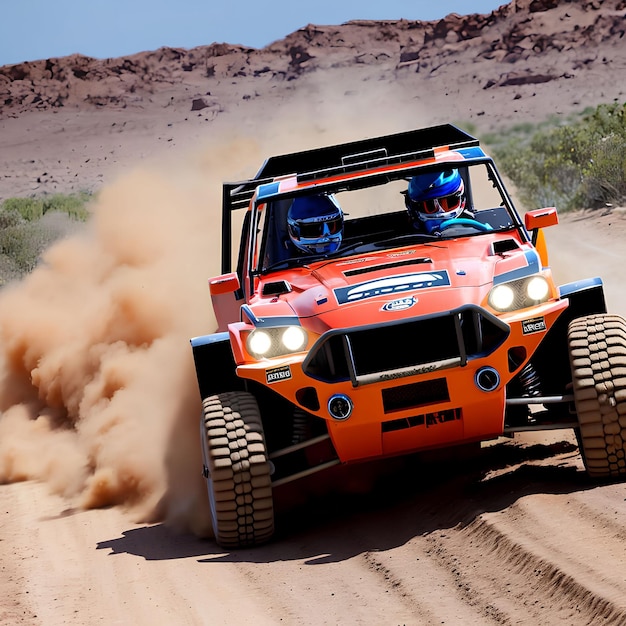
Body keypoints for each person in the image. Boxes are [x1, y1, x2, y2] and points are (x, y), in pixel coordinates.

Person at [404, 169, 472, 234]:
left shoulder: (475, 230)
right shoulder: (406, 238)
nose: (441, 211)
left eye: (450, 202)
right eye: (430, 206)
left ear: (461, 198)